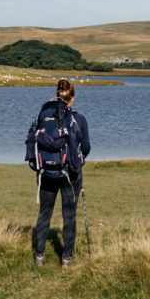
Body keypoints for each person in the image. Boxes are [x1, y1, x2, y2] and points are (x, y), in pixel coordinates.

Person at [29, 78, 91, 268]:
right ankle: (66, 259)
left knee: (44, 213)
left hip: (46, 172)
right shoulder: (78, 119)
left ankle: (39, 256)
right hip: (70, 174)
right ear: (72, 98)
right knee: (69, 214)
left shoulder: (43, 115)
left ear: (57, 95)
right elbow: (86, 148)